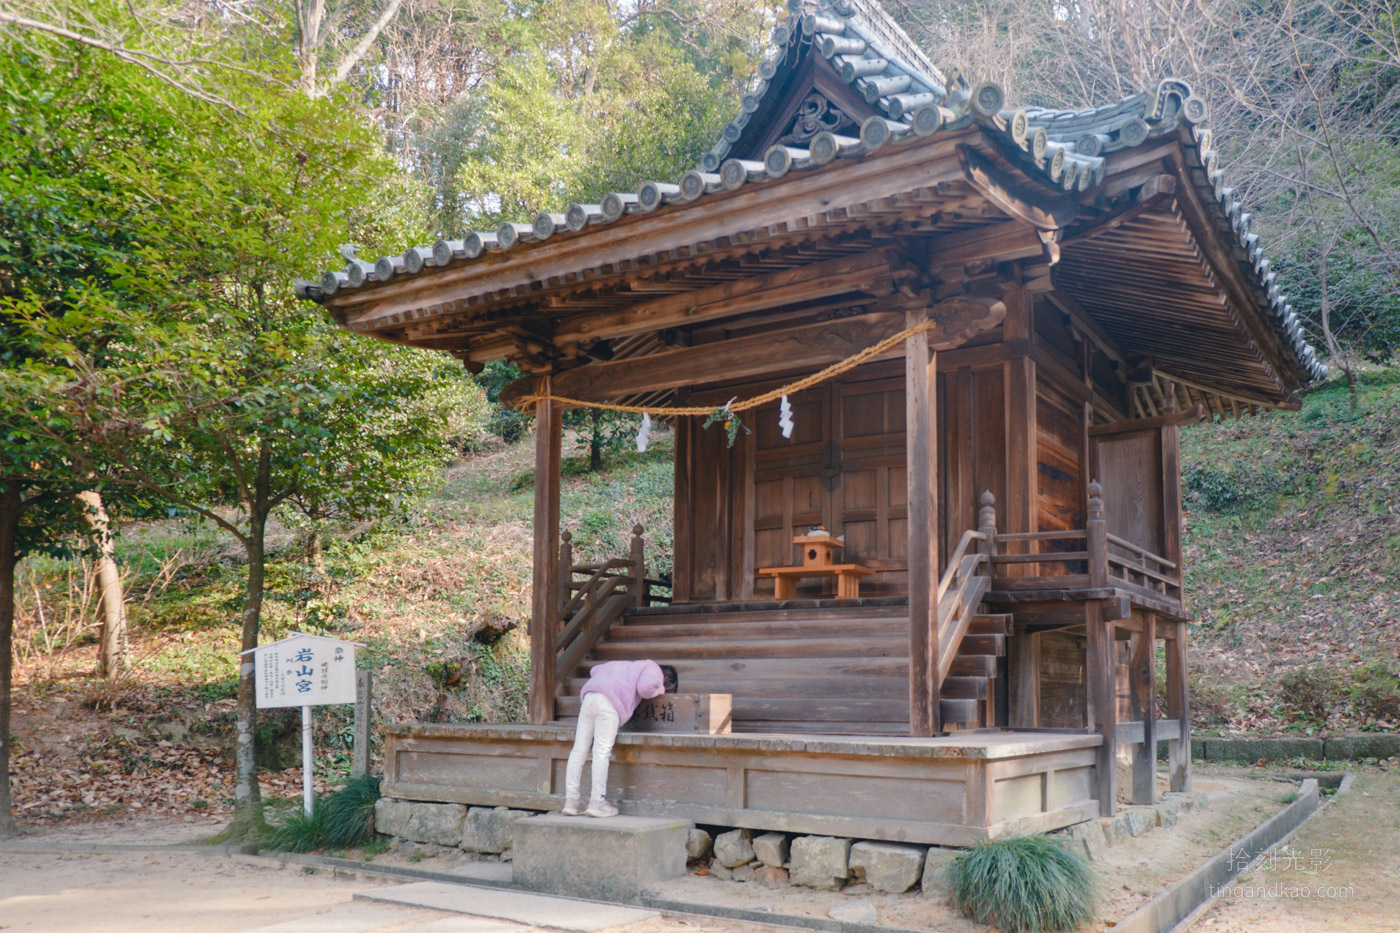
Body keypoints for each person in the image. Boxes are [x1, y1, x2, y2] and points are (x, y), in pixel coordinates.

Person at [563, 659, 678, 817]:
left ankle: (572, 801)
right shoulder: (652, 667)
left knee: (579, 750)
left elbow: (595, 670)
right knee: (601, 752)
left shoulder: (621, 665)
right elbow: (646, 689)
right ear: (665, 678)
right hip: (609, 703)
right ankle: (597, 802)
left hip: (589, 697)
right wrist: (660, 689)